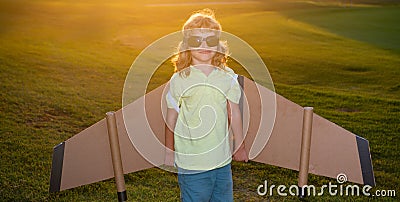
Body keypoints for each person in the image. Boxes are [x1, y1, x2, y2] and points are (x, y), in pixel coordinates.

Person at [164, 8, 248, 202]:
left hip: (222, 161)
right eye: (196, 41)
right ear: (186, 45)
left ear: (218, 45)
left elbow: (233, 112)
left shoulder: (227, 76)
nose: (204, 45)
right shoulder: (180, 79)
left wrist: (240, 145)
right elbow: (171, 117)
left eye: (210, 40)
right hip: (192, 162)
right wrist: (169, 151)